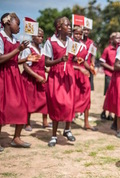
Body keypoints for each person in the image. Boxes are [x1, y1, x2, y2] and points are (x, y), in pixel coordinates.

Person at [0, 12, 36, 150]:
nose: (20, 28)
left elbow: (15, 60)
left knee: (22, 105)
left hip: (15, 75)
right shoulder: (1, 37)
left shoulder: (15, 41)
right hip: (3, 76)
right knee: (2, 107)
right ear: (8, 22)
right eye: (18, 24)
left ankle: (16, 138)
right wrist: (18, 50)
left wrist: (26, 58)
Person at [44, 17, 76, 147]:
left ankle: (67, 129)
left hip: (68, 74)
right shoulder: (50, 42)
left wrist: (76, 60)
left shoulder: (71, 41)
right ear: (59, 27)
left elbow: (73, 58)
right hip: (56, 75)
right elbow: (46, 62)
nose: (69, 27)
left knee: (69, 103)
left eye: (70, 25)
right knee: (56, 104)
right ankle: (53, 135)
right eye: (67, 25)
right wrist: (60, 60)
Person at [21, 28, 51, 131]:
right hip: (31, 77)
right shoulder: (28, 49)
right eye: (38, 36)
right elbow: (25, 66)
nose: (41, 38)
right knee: (29, 100)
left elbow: (42, 65)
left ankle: (45, 121)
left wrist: (48, 71)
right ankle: (27, 122)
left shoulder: (42, 49)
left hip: (42, 76)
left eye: (42, 36)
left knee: (45, 99)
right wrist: (37, 76)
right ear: (33, 37)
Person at [71, 26, 96, 131]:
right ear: (73, 33)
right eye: (76, 33)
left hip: (83, 74)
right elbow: (68, 61)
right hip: (72, 72)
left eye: (80, 34)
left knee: (86, 96)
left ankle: (86, 123)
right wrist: (79, 67)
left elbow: (84, 60)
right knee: (72, 97)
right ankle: (69, 119)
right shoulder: (70, 44)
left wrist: (90, 67)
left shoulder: (84, 45)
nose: (78, 35)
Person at [100, 32, 120, 121]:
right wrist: (111, 68)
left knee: (115, 94)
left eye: (119, 38)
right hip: (109, 74)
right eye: (116, 38)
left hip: (117, 75)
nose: (118, 40)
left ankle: (110, 114)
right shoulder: (107, 49)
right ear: (111, 39)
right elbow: (102, 61)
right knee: (108, 94)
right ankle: (105, 111)